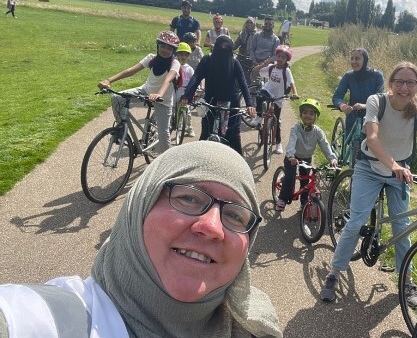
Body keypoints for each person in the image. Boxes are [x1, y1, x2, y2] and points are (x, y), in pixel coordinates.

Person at [0, 141, 283, 337]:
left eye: (235, 216)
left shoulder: (254, 325)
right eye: (188, 197)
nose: (212, 227)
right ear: (139, 207)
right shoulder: (46, 319)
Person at [319, 61, 417, 304]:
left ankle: (406, 281)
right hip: (369, 167)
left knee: (402, 228)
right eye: (399, 82)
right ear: (390, 84)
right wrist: (394, 166)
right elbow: (372, 138)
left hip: (399, 172)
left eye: (410, 82)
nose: (404, 87)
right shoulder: (376, 101)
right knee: (356, 221)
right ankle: (334, 274)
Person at [98, 30, 181, 154]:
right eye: (162, 45)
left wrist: (159, 94)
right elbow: (130, 71)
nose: (165, 49)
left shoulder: (175, 63)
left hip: (163, 100)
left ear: (173, 51)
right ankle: (120, 130)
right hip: (145, 91)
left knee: (163, 134)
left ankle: (167, 164)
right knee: (116, 98)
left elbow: (168, 79)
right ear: (157, 45)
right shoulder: (151, 58)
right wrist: (109, 80)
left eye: (169, 48)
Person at [181, 35, 255, 155]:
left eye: (226, 51)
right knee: (205, 136)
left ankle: (240, 171)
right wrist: (187, 95)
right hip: (210, 102)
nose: (223, 53)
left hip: (231, 105)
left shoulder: (235, 63)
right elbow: (196, 77)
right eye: (220, 50)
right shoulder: (207, 60)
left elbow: (243, 84)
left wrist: (249, 104)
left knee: (234, 138)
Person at [276, 99, 339, 212]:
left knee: (305, 182)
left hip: (306, 159)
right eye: (305, 112)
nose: (308, 116)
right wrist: (291, 157)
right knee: (290, 179)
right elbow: (291, 143)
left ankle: (304, 203)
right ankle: (282, 199)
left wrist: (332, 158)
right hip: (293, 158)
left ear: (316, 116)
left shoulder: (318, 131)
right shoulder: (296, 128)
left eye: (311, 113)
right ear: (301, 114)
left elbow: (325, 145)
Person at [251, 45, 299, 155]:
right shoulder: (271, 67)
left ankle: (278, 144)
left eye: (283, 57)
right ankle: (259, 117)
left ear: (286, 59)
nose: (280, 59)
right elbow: (255, 70)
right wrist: (264, 64)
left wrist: (295, 93)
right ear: (276, 57)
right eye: (279, 56)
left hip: (278, 97)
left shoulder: (286, 71)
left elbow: (292, 83)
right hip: (267, 91)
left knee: (276, 122)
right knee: (259, 96)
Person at [332, 48, 385, 136]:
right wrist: (342, 106)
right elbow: (337, 96)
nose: (353, 61)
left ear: (365, 60)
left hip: (372, 117)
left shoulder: (377, 76)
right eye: (352, 58)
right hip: (353, 116)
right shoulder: (348, 76)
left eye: (357, 58)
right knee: (351, 145)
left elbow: (380, 98)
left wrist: (363, 106)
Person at [175, 42, 196, 138]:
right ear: (177, 54)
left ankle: (189, 128)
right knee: (173, 110)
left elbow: (194, 81)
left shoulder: (189, 69)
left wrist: (197, 89)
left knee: (187, 112)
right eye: (181, 54)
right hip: (175, 91)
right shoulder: (174, 67)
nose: (183, 57)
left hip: (185, 93)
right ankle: (174, 126)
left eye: (186, 55)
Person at [234, 17, 257, 82]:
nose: (249, 24)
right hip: (241, 57)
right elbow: (236, 45)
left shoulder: (257, 35)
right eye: (247, 22)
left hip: (251, 59)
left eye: (251, 22)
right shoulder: (242, 34)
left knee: (249, 77)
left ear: (254, 24)